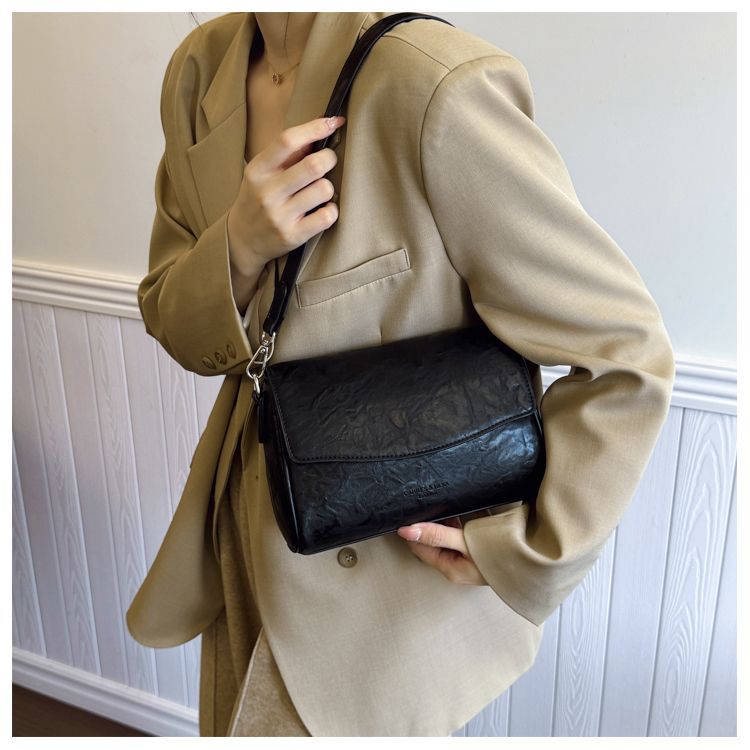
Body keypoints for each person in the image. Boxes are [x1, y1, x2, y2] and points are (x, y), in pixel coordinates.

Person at [126, 11, 676, 737]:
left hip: (373, 593)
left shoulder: (432, 81)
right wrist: (238, 248)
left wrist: (531, 550)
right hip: (240, 532)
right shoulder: (199, 71)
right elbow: (171, 316)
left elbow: (624, 348)